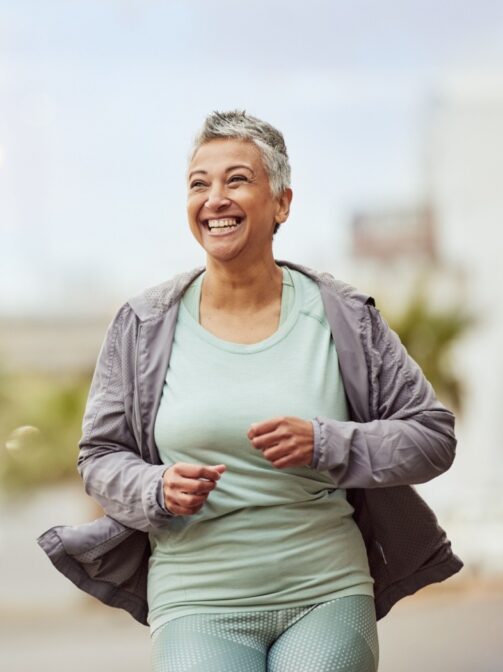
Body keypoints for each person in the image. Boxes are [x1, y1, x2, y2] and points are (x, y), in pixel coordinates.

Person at [39, 110, 460, 672]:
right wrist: (156, 484)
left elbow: (432, 437)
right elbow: (99, 456)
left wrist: (325, 443)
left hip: (326, 588)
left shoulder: (342, 316)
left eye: (237, 179)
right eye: (199, 184)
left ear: (282, 203)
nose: (215, 198)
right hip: (195, 597)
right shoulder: (144, 324)